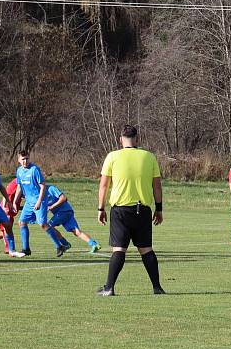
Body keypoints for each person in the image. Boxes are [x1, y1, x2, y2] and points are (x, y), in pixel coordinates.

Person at [96, 124, 164, 296]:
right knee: (146, 249)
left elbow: (104, 185)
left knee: (119, 249)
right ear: (137, 139)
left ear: (121, 139)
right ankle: (157, 287)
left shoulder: (112, 156)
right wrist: (159, 209)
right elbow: (157, 186)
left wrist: (101, 208)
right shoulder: (149, 157)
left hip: (120, 211)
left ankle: (109, 288)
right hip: (143, 210)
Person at [13, 150, 65, 256]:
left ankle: (59, 246)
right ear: (18, 160)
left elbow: (42, 186)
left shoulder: (34, 169)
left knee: (43, 224)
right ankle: (26, 249)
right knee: (21, 223)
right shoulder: (19, 171)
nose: (25, 161)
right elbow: (19, 187)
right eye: (23, 159)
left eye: (27, 158)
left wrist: (39, 202)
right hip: (29, 202)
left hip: (39, 201)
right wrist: (15, 201)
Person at [44, 183, 102, 254]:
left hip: (64, 211)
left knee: (48, 226)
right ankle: (94, 244)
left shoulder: (51, 188)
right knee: (76, 232)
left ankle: (65, 244)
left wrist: (52, 206)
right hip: (65, 212)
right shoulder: (39, 193)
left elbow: (63, 198)